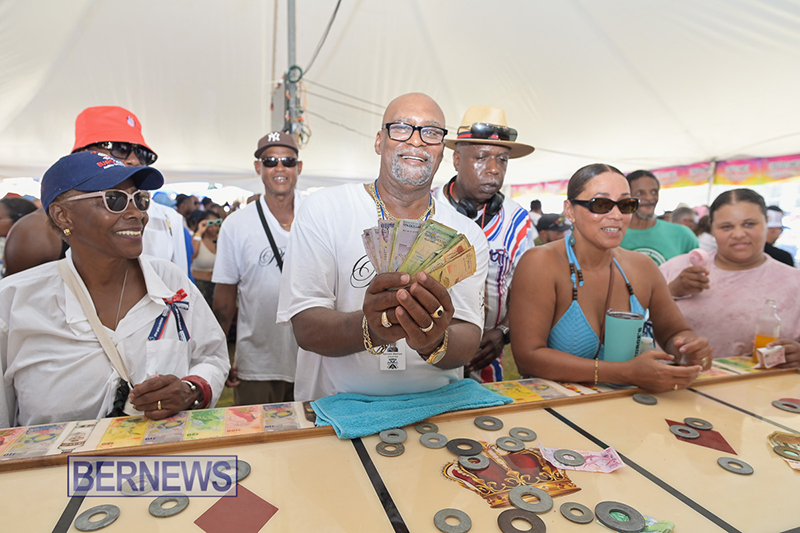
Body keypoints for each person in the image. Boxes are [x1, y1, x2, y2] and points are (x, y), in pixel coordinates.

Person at [276, 93, 489, 401]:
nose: (416, 141)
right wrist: (371, 328)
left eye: (431, 132)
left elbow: (468, 337)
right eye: (401, 127)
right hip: (337, 406)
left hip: (433, 408)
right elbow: (306, 326)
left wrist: (433, 340)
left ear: (442, 151)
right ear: (379, 141)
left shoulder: (466, 234)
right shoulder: (324, 209)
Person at [0, 151, 230, 427]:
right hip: (56, 469)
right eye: (115, 200)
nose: (137, 214)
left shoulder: (170, 282)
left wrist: (190, 391)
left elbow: (212, 355)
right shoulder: (15, 302)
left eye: (140, 200)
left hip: (164, 466)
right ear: (63, 216)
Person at [509, 164, 710, 393]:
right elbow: (528, 357)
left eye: (626, 205)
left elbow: (675, 332)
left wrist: (688, 347)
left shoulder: (642, 267)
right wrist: (623, 372)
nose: (616, 215)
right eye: (601, 204)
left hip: (623, 412)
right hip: (556, 414)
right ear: (570, 210)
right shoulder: (541, 263)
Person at [3, 106, 189, 277]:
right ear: (80, 154)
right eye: (120, 148)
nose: (134, 160)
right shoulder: (36, 233)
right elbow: (15, 306)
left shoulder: (159, 217)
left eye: (142, 154)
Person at [435, 106, 533, 382]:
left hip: (486, 365)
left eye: (502, 159)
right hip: (423, 360)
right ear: (456, 159)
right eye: (481, 157)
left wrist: (502, 333)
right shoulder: (425, 210)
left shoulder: (519, 222)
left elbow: (528, 294)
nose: (493, 169)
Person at [213, 131, 304, 405]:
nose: (279, 167)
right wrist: (217, 355)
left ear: (298, 167)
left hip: (315, 359)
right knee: (260, 444)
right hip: (256, 364)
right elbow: (224, 297)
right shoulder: (236, 224)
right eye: (270, 160)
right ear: (258, 167)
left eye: (287, 161)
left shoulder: (318, 216)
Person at [660, 189, 800, 364]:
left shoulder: (794, 283)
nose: (739, 234)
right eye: (726, 226)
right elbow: (633, 316)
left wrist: (797, 354)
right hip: (677, 386)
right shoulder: (678, 268)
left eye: (749, 224)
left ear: (766, 222)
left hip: (762, 389)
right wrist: (671, 291)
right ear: (711, 228)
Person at [620, 170, 698, 265]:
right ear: (627, 197)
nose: (649, 197)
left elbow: (700, 269)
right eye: (640, 193)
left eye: (654, 192)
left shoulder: (683, 235)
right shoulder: (614, 235)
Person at [189, 210, 221, 307]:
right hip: (199, 286)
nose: (214, 227)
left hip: (217, 286)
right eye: (210, 224)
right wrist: (199, 232)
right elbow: (192, 255)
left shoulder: (221, 239)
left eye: (217, 223)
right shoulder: (196, 239)